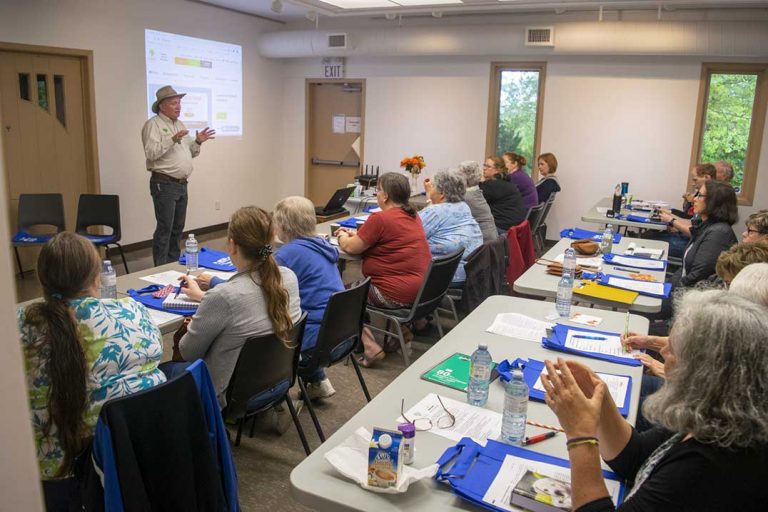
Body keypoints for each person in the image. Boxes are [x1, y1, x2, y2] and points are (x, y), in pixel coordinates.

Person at [542, 290, 768, 511]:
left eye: (675, 347)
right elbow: (634, 458)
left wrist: (580, 437)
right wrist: (599, 398)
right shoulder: (711, 414)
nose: (665, 350)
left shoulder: (709, 465)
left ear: (704, 372)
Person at [19, 233, 166, 510]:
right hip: (123, 462)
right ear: (97, 277)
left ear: (42, 280)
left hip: (51, 479)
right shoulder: (133, 313)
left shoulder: (17, 331)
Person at [176, 206, 302, 409]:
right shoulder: (288, 277)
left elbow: (188, 352)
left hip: (228, 395)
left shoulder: (224, 296)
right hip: (275, 379)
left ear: (232, 246)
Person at [335, 172, 431, 367]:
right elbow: (386, 240)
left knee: (341, 296)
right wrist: (359, 235)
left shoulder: (381, 219)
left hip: (393, 293)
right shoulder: (412, 215)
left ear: (385, 196)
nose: (377, 194)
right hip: (421, 290)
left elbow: (352, 248)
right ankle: (401, 333)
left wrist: (342, 236)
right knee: (356, 289)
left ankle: (370, 346)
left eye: (378, 190)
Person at [272, 196, 345, 401]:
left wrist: (214, 283)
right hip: (339, 333)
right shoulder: (320, 245)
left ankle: (269, 399)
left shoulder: (287, 254)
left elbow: (256, 287)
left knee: (264, 322)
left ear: (284, 225)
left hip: (314, 341)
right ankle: (318, 381)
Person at [142, 85, 215, 266]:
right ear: (162, 106)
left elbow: (191, 152)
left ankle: (172, 265)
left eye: (179, 103)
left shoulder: (179, 124)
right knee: (165, 229)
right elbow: (151, 153)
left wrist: (198, 141)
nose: (178, 106)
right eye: (174, 103)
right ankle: (159, 269)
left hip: (181, 184)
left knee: (177, 229)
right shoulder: (153, 125)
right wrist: (172, 139)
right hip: (164, 183)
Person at [669, 180, 738, 290]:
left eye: (699, 195)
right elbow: (684, 268)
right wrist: (668, 285)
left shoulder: (718, 233)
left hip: (694, 297)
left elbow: (697, 276)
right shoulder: (706, 225)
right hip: (685, 289)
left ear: (714, 202)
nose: (695, 199)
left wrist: (670, 289)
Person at [421, 169, 483, 284]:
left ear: (442, 193)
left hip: (446, 275)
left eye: (433, 186)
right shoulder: (463, 206)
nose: (430, 190)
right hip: (470, 271)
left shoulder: (435, 212)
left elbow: (407, 236)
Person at [479, 156, 527, 235]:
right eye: (484, 165)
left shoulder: (493, 185)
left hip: (503, 228)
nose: (484, 168)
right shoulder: (505, 182)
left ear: (497, 170)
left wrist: (481, 182)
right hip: (514, 226)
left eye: (488, 166)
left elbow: (476, 198)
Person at [456, 160, 497, 243]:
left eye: (459, 175)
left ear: (465, 177)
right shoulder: (475, 190)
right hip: (490, 241)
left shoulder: (467, 197)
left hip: (483, 245)